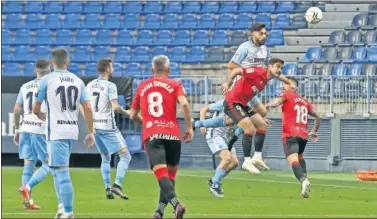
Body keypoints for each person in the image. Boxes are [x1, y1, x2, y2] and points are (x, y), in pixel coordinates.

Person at [195, 23, 273, 173]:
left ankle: (239, 136)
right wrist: (246, 71)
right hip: (242, 87)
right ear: (253, 34)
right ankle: (238, 135)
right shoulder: (245, 47)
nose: (264, 36)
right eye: (261, 34)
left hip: (252, 89)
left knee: (262, 114)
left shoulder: (265, 50)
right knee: (256, 117)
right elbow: (231, 65)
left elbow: (267, 68)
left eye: (265, 34)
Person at [29, 49, 95, 219]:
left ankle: (68, 211)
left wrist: (40, 115)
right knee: (56, 169)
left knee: (62, 171)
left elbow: (35, 108)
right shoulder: (78, 80)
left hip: (56, 131)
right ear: (68, 63)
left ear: (52, 63)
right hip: (72, 130)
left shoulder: (46, 80)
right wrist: (91, 131)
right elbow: (87, 107)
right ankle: (61, 209)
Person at [130, 55, 193, 219]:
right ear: (168, 69)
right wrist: (190, 127)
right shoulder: (175, 84)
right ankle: (159, 212)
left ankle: (176, 205)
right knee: (170, 176)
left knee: (161, 175)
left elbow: (133, 115)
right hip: (172, 134)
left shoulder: (143, 86)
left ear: (152, 70)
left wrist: (147, 122)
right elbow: (185, 104)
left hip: (153, 134)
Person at [220, 58, 295, 167]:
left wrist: (289, 83)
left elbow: (280, 76)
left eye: (281, 68)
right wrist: (227, 83)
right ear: (269, 66)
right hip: (232, 102)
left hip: (242, 104)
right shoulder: (257, 72)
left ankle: (257, 156)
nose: (280, 70)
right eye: (277, 66)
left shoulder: (267, 77)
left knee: (262, 125)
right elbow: (237, 71)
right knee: (249, 128)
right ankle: (246, 161)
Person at [266, 76, 321, 198]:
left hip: (290, 134)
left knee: (293, 160)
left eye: (285, 84)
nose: (282, 87)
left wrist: (268, 105)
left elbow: (276, 102)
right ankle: (304, 187)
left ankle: (304, 181)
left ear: (292, 86)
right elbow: (317, 116)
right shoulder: (305, 101)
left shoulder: (287, 95)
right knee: (300, 157)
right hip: (303, 135)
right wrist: (314, 131)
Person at [86, 58, 133, 200]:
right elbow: (115, 107)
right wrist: (127, 112)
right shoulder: (110, 86)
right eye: (111, 67)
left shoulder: (90, 85)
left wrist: (90, 127)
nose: (113, 69)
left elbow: (86, 107)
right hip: (107, 126)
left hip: (95, 127)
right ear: (107, 69)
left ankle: (107, 187)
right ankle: (117, 185)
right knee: (125, 156)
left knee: (105, 157)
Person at [15, 59, 51, 210]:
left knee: (28, 165)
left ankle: (27, 203)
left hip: (25, 128)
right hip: (40, 130)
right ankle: (27, 186)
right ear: (49, 71)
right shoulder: (49, 85)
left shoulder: (25, 86)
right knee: (47, 164)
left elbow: (17, 110)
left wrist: (17, 130)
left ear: (35, 70)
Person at [199, 100, 239, 198]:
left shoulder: (241, 105)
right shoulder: (224, 102)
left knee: (234, 163)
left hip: (226, 136)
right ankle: (215, 185)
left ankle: (214, 180)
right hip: (215, 133)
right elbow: (204, 109)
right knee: (227, 158)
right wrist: (202, 125)